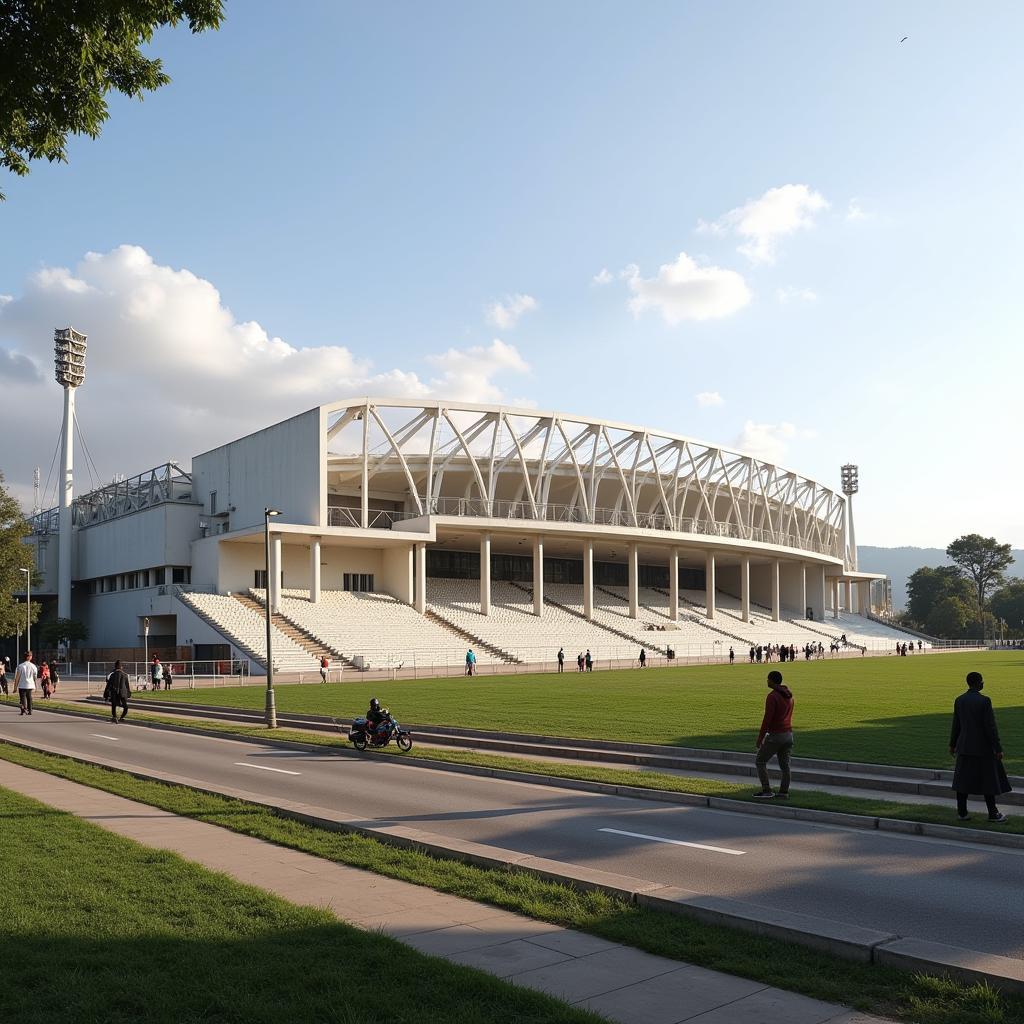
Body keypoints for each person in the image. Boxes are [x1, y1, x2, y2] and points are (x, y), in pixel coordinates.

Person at [949, 671, 1011, 822]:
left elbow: (956, 725)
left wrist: (952, 744)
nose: (983, 683)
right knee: (988, 781)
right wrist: (997, 748)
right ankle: (993, 813)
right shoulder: (985, 701)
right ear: (978, 683)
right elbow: (990, 727)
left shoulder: (959, 700)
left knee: (962, 781)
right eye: (982, 681)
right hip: (983, 748)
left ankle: (962, 813)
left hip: (964, 746)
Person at [754, 670, 794, 800]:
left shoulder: (772, 696)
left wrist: (760, 738)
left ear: (772, 681)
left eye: (768, 679)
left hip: (776, 735)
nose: (767, 681)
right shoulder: (789, 696)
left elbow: (767, 719)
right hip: (788, 734)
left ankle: (767, 790)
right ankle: (783, 792)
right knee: (785, 765)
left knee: (760, 761)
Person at [15, 651, 38, 715]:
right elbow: (35, 677)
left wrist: (15, 687)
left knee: (22, 698)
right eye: (31, 656)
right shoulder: (34, 666)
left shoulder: (20, 666)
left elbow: (17, 678)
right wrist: (36, 686)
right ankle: (30, 710)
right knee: (29, 697)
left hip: (22, 685)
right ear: (30, 657)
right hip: (30, 685)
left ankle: (23, 709)